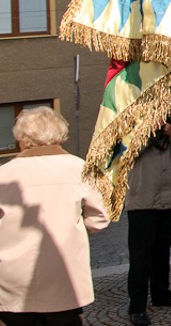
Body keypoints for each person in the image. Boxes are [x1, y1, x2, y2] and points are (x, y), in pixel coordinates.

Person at [0, 107, 109, 326]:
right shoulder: (80, 169)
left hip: (12, 277)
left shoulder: (4, 174)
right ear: (60, 134)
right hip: (63, 271)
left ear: (22, 137)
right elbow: (100, 218)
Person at [126, 110, 171, 326]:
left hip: (169, 201)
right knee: (140, 258)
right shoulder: (134, 128)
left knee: (162, 252)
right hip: (142, 203)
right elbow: (127, 153)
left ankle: (161, 294)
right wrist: (150, 132)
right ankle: (136, 307)